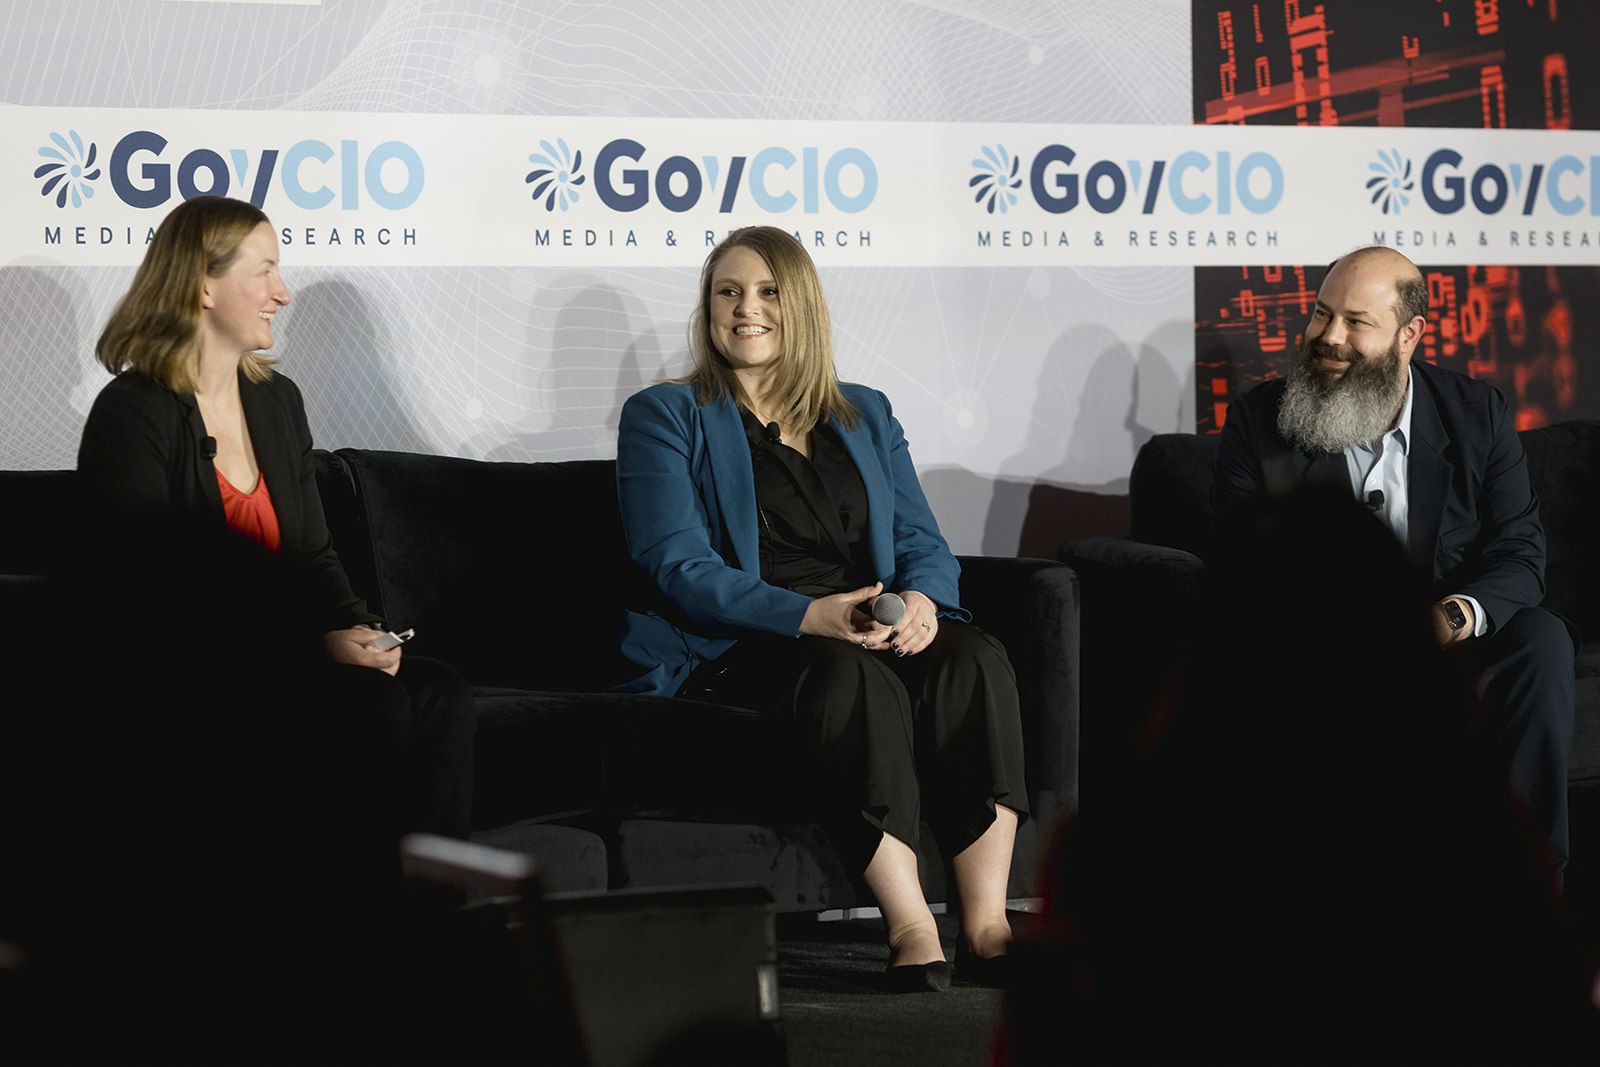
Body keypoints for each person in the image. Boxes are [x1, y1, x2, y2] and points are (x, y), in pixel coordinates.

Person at [614, 226, 1028, 992]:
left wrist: (924, 603)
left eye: (767, 292)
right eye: (728, 292)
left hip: (869, 623)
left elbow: (921, 540)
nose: (746, 309)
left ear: (800, 304)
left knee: (974, 657)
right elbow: (677, 564)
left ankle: (987, 924)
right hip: (747, 642)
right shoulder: (666, 413)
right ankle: (911, 925)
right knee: (847, 674)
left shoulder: (865, 411)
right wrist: (812, 617)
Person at [74, 195, 475, 916]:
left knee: (439, 690)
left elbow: (312, 550)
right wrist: (314, 645)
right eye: (263, 271)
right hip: (194, 667)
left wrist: (358, 629)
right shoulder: (133, 411)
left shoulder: (276, 401)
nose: (281, 293)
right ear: (203, 284)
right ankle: (351, 920)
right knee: (369, 706)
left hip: (290, 655)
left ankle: (434, 919)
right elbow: (151, 584)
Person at [1211, 243, 1577, 892]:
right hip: (1321, 642)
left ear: (1409, 335)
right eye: (1322, 314)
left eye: (1356, 322)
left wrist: (1450, 617)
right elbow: (1243, 562)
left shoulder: (1478, 414)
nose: (1329, 337)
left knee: (1540, 639)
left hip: (1446, 639)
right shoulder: (1259, 421)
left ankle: (1534, 891)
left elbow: (1521, 551)